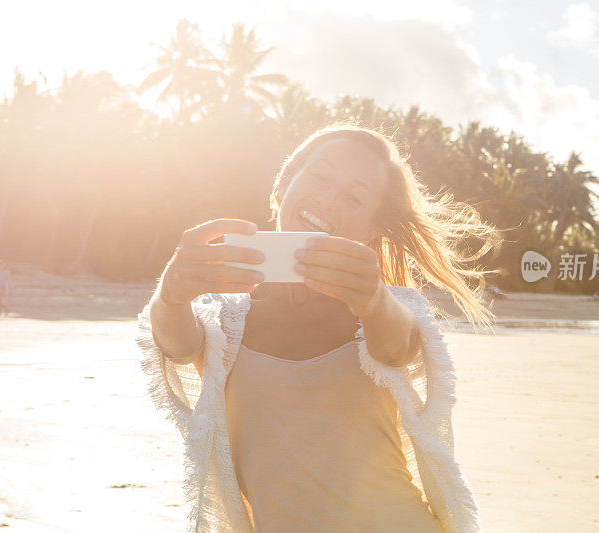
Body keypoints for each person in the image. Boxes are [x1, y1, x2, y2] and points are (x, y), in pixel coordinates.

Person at [137, 124, 499, 533]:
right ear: (285, 185)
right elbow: (178, 345)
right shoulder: (227, 323)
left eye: (354, 197)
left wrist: (373, 299)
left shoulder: (386, 310)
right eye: (319, 177)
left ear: (372, 229)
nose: (327, 200)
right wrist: (170, 294)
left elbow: (397, 348)